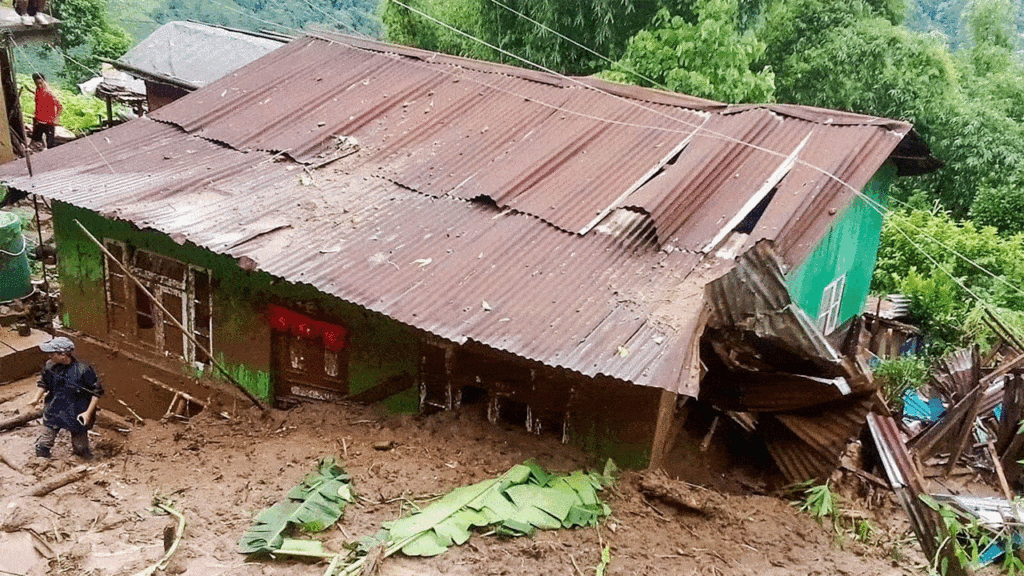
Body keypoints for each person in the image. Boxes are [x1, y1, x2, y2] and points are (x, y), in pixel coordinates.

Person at [28, 337, 104, 460]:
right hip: (54, 408)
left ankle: (81, 458)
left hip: (76, 411)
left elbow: (96, 392)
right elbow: (44, 383)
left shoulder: (83, 370)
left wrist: (88, 413)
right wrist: (36, 399)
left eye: (52, 353)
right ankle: (42, 459)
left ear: (63, 354)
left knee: (81, 448)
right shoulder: (50, 366)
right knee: (43, 444)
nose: (49, 356)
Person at [28, 72, 61, 150]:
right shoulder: (37, 91)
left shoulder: (49, 93)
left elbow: (60, 106)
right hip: (39, 121)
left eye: (40, 83)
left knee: (50, 144)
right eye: (37, 83)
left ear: (44, 81)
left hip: (49, 122)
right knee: (35, 142)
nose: (39, 85)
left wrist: (57, 118)